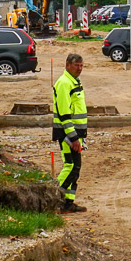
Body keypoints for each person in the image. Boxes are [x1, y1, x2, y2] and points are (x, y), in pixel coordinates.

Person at [51, 53, 89, 212]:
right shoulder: (64, 83)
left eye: (81, 66)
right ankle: (52, 197)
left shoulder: (74, 81)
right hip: (67, 134)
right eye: (76, 65)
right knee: (71, 167)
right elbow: (64, 113)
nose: (79, 69)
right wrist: (72, 137)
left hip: (75, 134)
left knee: (75, 168)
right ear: (67, 65)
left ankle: (68, 203)